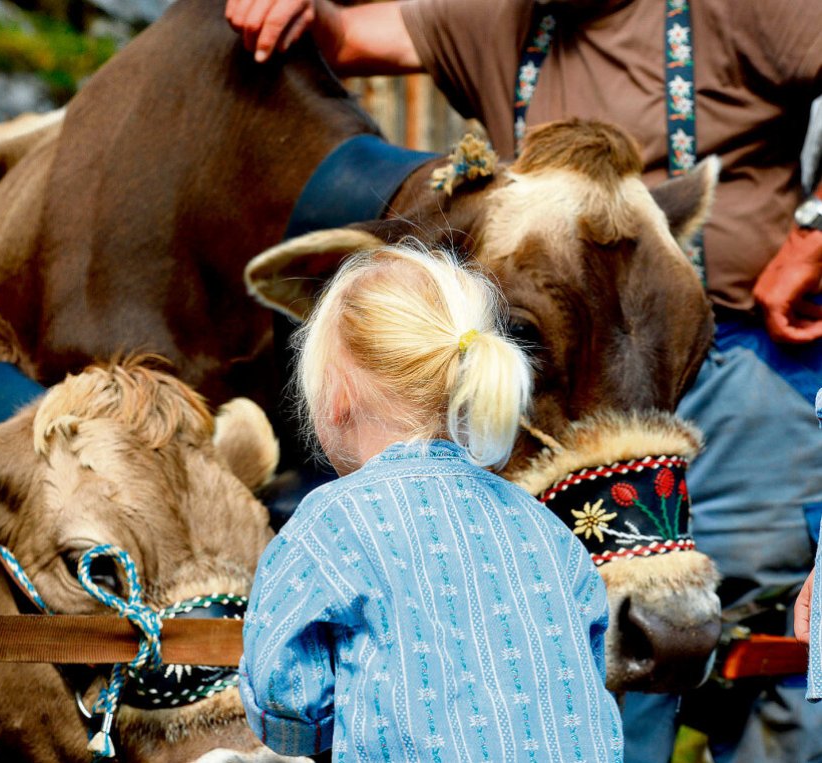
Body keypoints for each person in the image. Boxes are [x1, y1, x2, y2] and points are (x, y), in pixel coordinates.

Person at [227, 1, 822, 760]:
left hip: (724, 361)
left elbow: (283, 694)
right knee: (613, 636)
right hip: (555, 385)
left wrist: (816, 225)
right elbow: (340, 35)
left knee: (774, 643)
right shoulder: (500, 16)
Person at [238, 244, 624, 760]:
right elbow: (582, 672)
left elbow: (287, 696)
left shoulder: (333, 523)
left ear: (337, 394)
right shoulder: (543, 526)